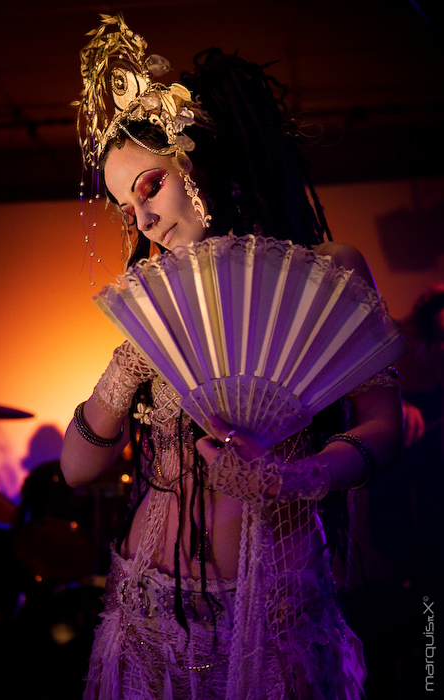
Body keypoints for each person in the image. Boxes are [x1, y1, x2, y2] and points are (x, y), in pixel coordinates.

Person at [61, 14, 403, 700]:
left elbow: (385, 427)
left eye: (148, 185)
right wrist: (127, 365)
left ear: (197, 164)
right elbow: (76, 469)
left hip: (272, 609)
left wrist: (295, 477)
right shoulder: (152, 307)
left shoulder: (324, 270)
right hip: (148, 611)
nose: (141, 218)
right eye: (124, 206)